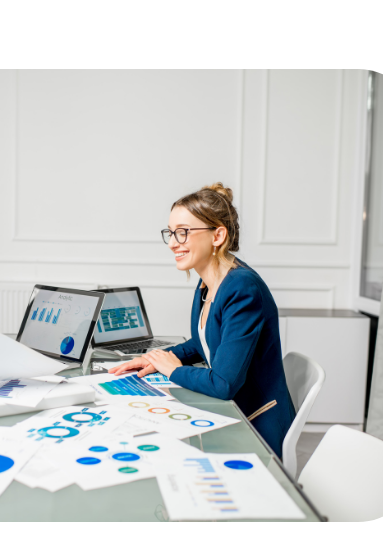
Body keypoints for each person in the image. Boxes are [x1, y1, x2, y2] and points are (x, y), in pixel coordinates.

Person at [109, 183, 295, 457]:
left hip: (254, 428)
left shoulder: (242, 288)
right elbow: (202, 341)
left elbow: (223, 384)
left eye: (183, 233)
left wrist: (172, 370)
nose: (173, 243)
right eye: (171, 233)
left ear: (218, 235)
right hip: (231, 413)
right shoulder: (208, 282)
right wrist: (157, 358)